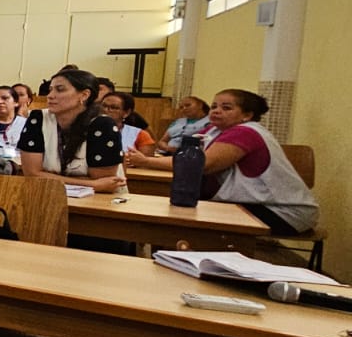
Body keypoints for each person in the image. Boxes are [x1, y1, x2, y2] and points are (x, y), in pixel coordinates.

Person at [123, 89, 317, 233]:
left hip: (280, 211)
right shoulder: (214, 130)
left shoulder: (246, 132)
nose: (216, 111)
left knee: (180, 221)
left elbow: (200, 165)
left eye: (226, 108)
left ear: (247, 115)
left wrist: (146, 161)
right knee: (173, 213)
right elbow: (187, 153)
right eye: (214, 106)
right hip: (246, 202)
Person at [17, 69, 124, 193]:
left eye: (60, 89)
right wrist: (91, 184)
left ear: (84, 95)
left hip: (98, 199)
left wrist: (48, 176)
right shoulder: (38, 118)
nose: (50, 95)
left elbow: (105, 182)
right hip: (49, 194)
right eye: (50, 90)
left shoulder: (103, 125)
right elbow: (32, 174)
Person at [98, 91, 156, 157]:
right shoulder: (89, 129)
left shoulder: (140, 135)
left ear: (126, 113)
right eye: (104, 106)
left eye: (113, 108)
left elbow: (146, 161)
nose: (105, 110)